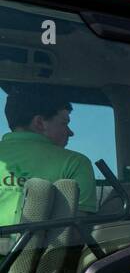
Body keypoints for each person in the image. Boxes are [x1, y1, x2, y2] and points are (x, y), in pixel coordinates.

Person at [0, 87, 97, 226]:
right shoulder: (75, 163)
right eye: (64, 123)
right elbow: (76, 233)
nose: (70, 132)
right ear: (39, 123)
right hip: (40, 248)